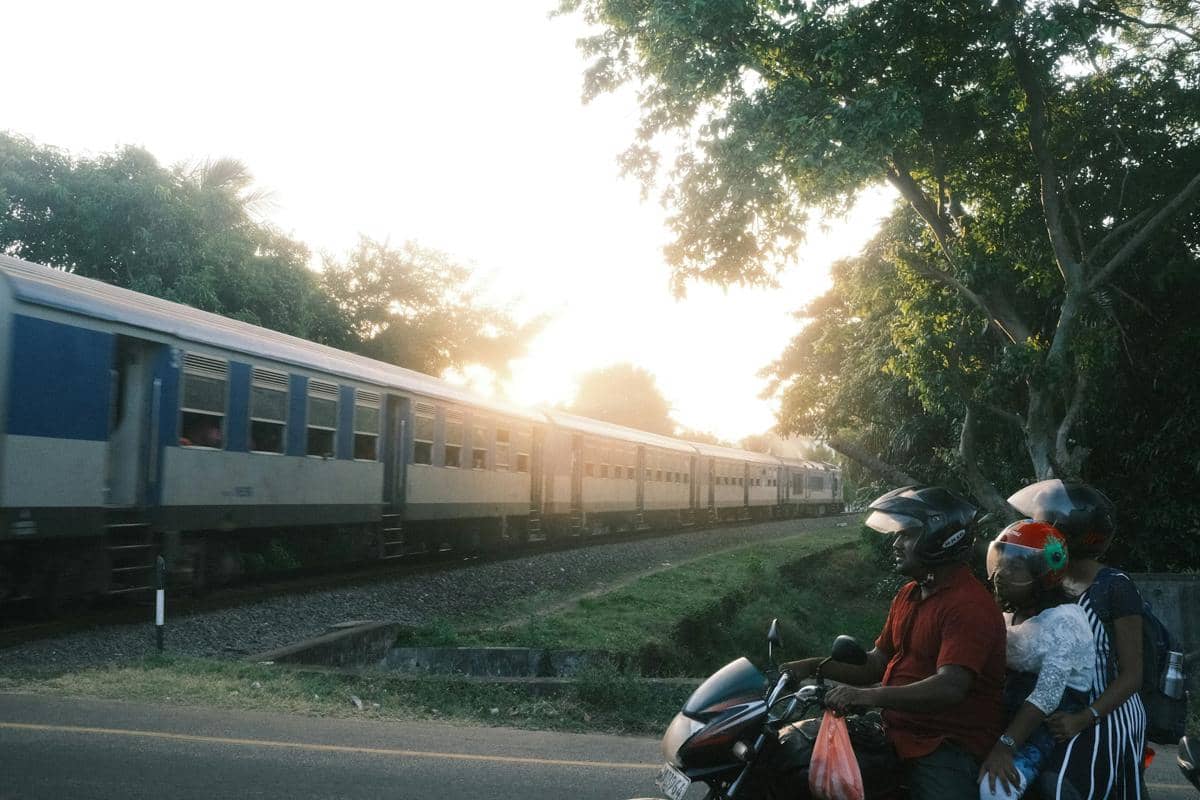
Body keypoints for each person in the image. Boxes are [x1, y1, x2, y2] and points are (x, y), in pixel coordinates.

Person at [780, 485, 1007, 800]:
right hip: (896, 730)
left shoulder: (969, 606)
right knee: (800, 762)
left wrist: (866, 698)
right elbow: (876, 663)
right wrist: (807, 666)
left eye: (908, 535)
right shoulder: (910, 594)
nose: (897, 543)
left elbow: (950, 687)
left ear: (939, 539)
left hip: (943, 743)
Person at [1007, 479, 1147, 800]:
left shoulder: (1115, 586)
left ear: (1064, 534)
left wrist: (1085, 717)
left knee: (1060, 789)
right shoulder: (1051, 580)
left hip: (1108, 715)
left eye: (1042, 528)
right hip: (1060, 712)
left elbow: (1132, 675)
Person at [978, 520, 1096, 800]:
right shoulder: (1009, 616)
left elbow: (1047, 695)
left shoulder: (1065, 621)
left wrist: (1004, 747)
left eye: (1015, 567)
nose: (1001, 574)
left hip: (1049, 722)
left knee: (995, 789)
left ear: (1045, 574)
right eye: (1001, 563)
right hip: (1013, 712)